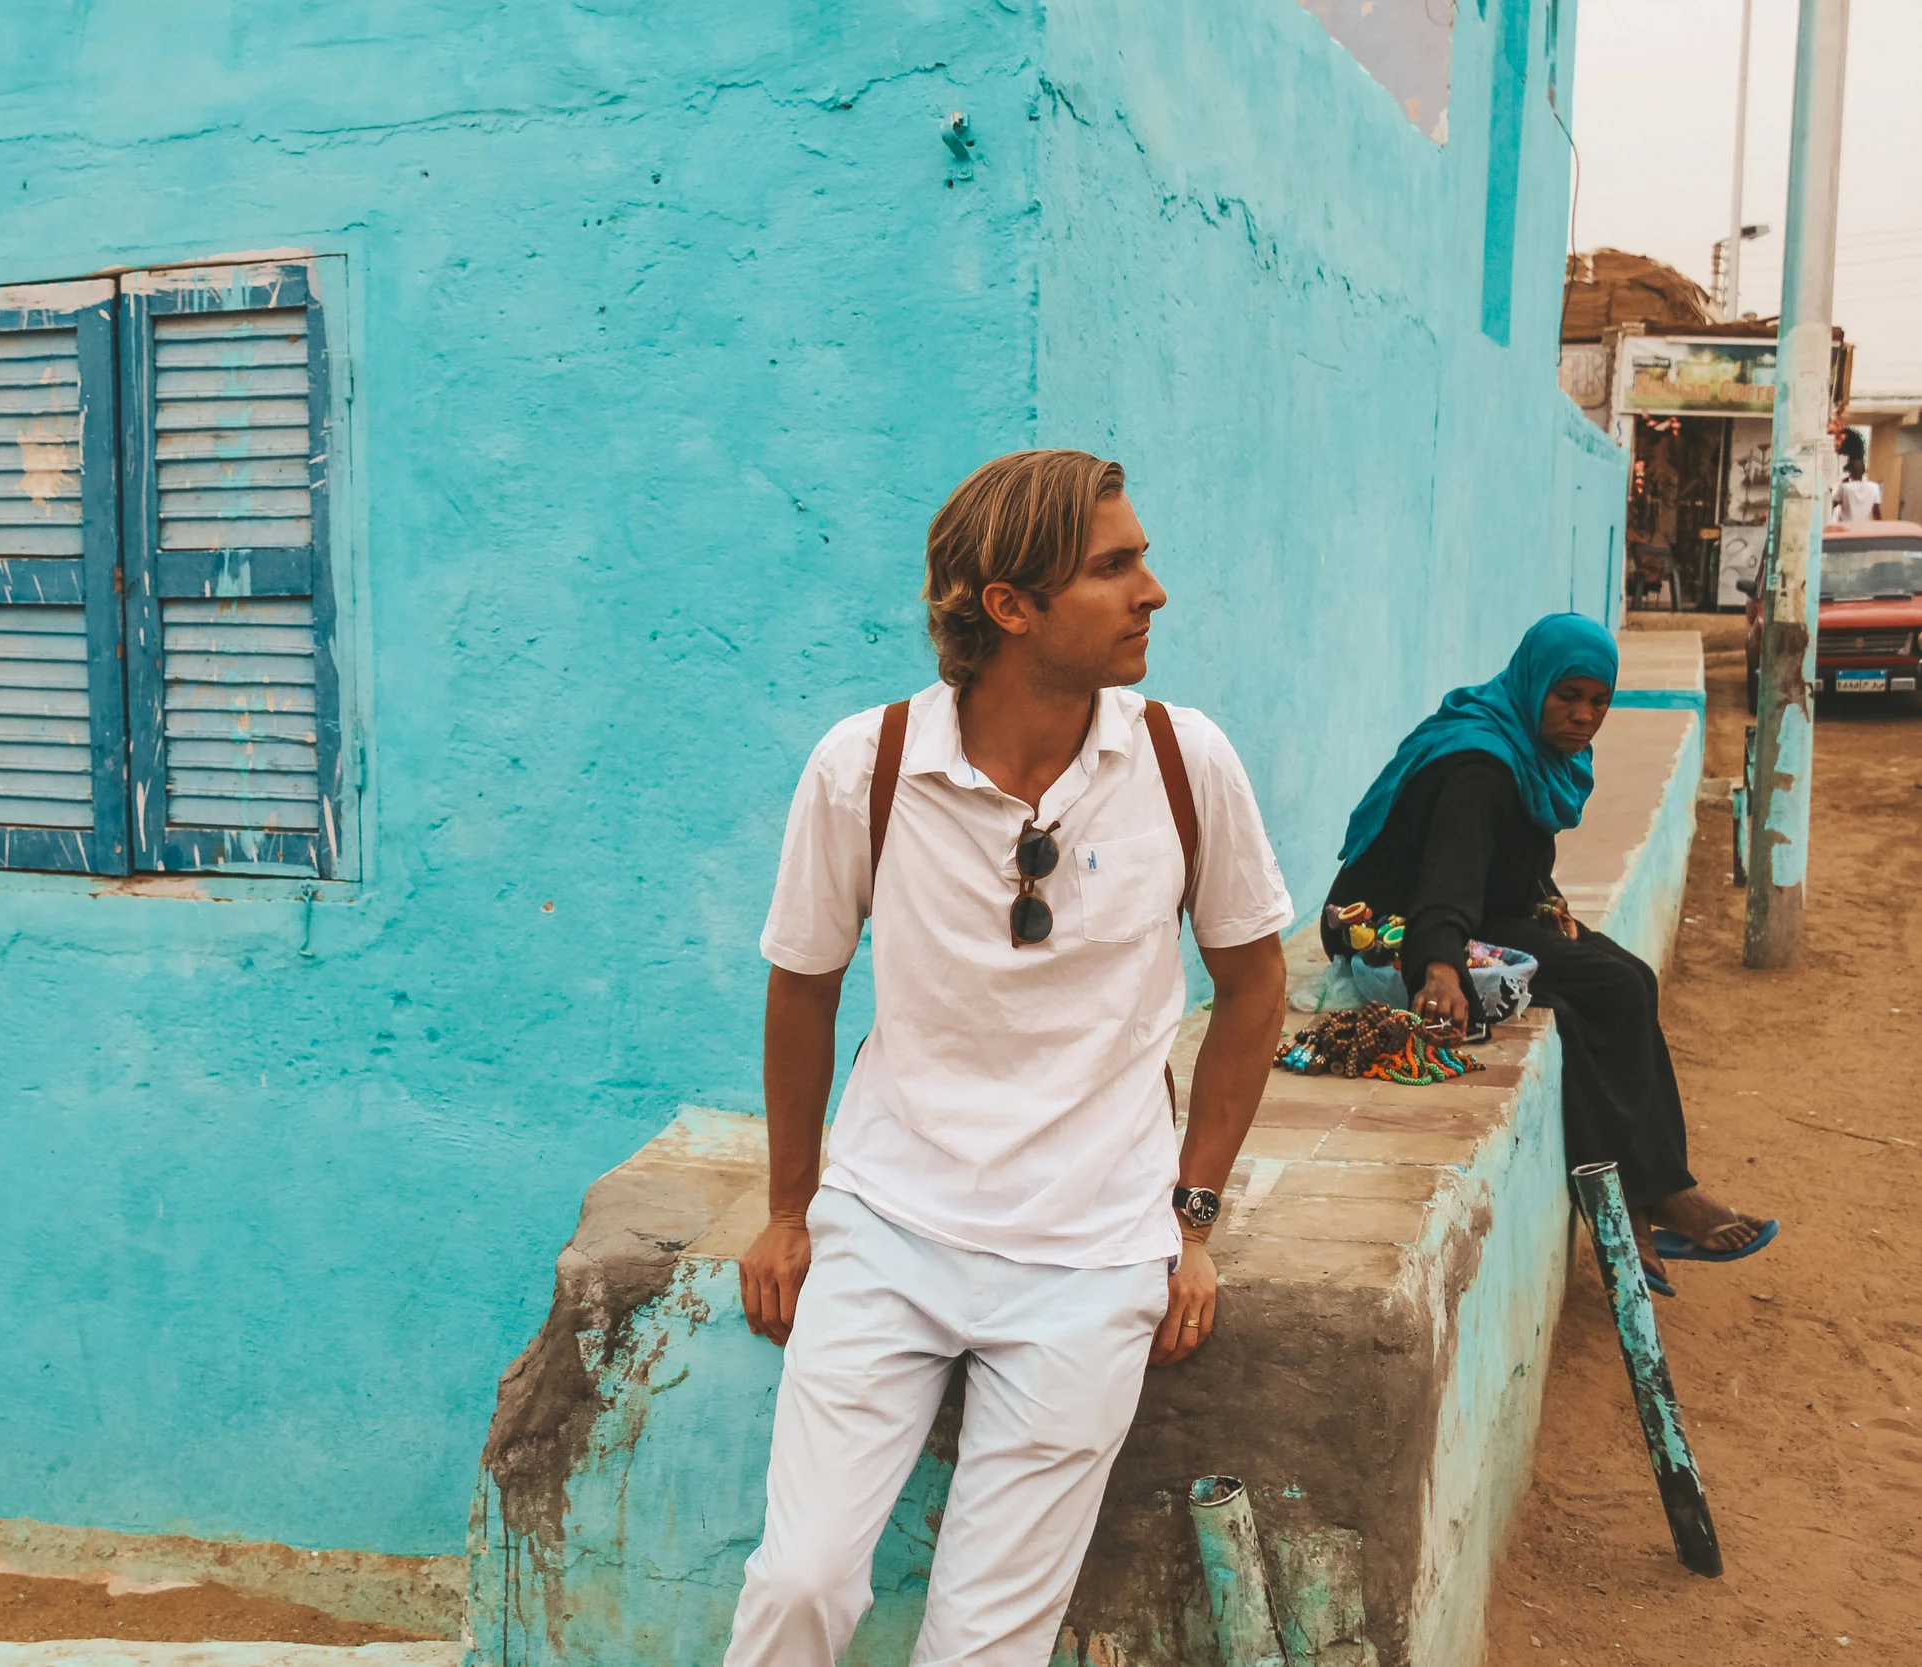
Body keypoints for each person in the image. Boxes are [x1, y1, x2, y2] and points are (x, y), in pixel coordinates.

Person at [727, 449, 1295, 1667]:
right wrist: (788, 1210)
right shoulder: (867, 765)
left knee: (985, 1641)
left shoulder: (1184, 760)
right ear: (1009, 604)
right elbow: (803, 985)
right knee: (800, 1583)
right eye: (1114, 566)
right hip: (886, 1225)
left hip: (1093, 1259)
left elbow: (1254, 988)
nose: (1152, 590)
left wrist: (1192, 1219)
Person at [1322, 615, 1775, 1289]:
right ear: (1536, 684)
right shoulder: (1479, 764)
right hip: (1399, 921)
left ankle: (1642, 1196)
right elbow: (1448, 875)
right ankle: (1654, 1195)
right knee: (1609, 988)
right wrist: (1439, 969)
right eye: (1568, 696)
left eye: (1598, 700)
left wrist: (1549, 908)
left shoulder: (1528, 746)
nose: (1584, 715)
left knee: (1624, 979)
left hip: (1478, 908)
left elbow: (1508, 861)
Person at [1831, 455, 1884, 524]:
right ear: (1864, 471)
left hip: (1847, 526)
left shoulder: (1844, 487)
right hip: (1865, 526)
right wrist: (1880, 525)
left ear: (1850, 473)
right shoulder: (1874, 487)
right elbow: (1876, 511)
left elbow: (1834, 503)